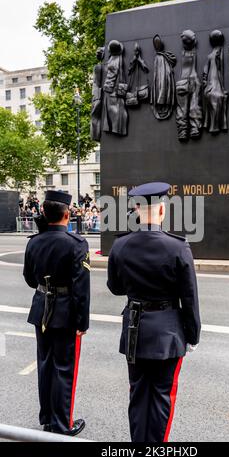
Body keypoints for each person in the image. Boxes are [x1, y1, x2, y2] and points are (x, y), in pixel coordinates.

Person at [107, 182, 201, 443]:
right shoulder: (178, 246)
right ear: (162, 210)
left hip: (135, 329)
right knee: (162, 396)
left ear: (137, 209)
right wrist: (192, 335)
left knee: (137, 393)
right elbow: (189, 297)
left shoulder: (120, 245)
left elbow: (115, 288)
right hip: (168, 333)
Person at [23, 190, 90, 436]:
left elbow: (30, 279)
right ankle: (62, 424)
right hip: (66, 312)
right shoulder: (77, 244)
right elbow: (81, 288)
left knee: (45, 364)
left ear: (43, 212)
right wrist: (83, 321)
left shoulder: (33, 242)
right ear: (68, 214)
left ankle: (48, 419)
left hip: (41, 308)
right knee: (64, 368)